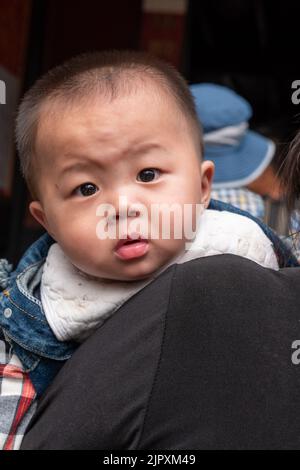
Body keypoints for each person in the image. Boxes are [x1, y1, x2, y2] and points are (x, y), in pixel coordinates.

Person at [0, 50, 296, 450]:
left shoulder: (247, 246)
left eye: (148, 174)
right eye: (86, 188)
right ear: (47, 221)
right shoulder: (38, 312)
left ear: (203, 187)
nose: (123, 206)